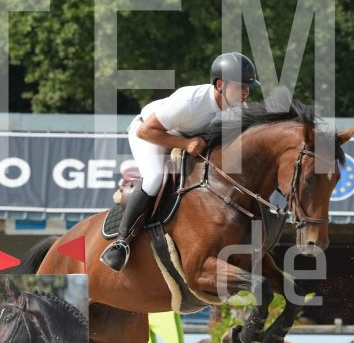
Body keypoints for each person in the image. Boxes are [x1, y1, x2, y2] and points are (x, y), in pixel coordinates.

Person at [99, 52, 261, 271]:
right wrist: (185, 144)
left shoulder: (239, 111)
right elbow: (145, 131)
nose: (246, 92)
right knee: (154, 178)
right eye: (241, 86)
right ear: (220, 84)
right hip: (151, 134)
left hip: (185, 139)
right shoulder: (190, 101)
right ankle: (121, 243)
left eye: (248, 87)